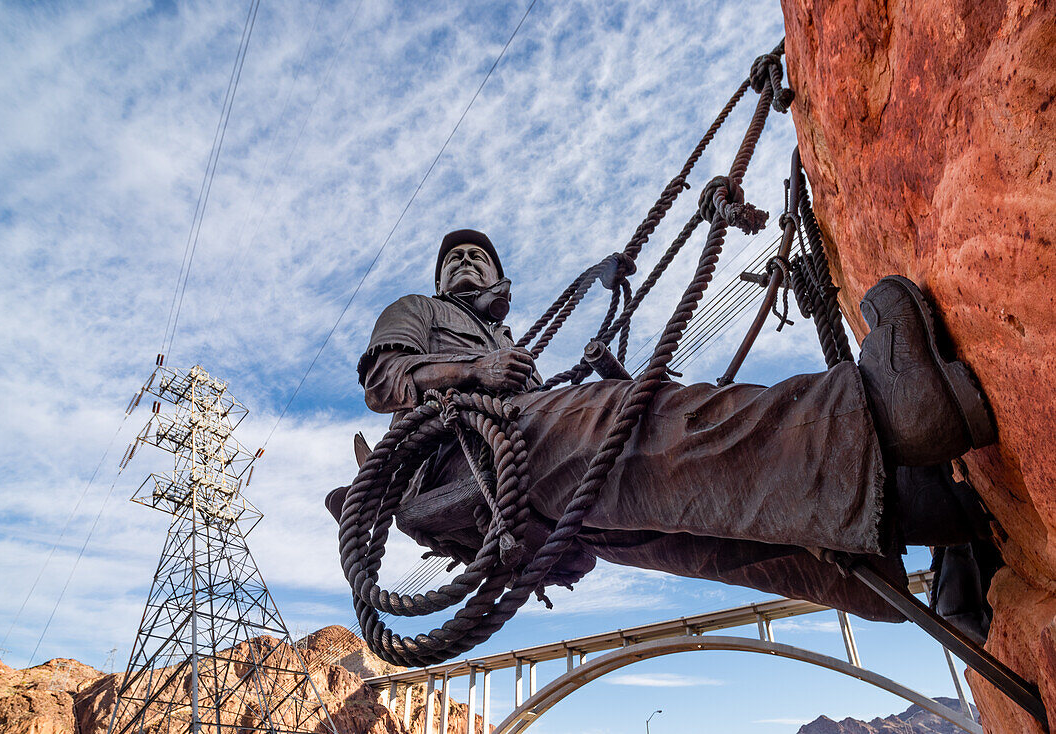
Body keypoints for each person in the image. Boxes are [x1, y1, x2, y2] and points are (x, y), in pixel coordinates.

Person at [331, 229, 994, 622]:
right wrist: (474, 373)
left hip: (506, 501)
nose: (465, 265)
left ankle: (931, 518)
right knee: (652, 427)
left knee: (692, 525)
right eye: (455, 262)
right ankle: (895, 410)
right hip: (467, 458)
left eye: (476, 259)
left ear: (501, 278)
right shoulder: (417, 309)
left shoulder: (501, 332)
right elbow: (385, 380)